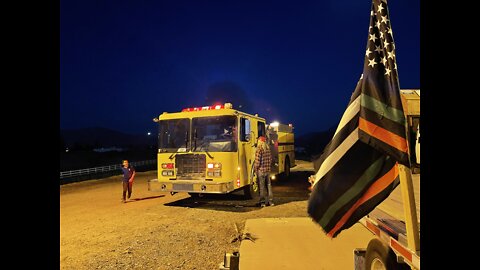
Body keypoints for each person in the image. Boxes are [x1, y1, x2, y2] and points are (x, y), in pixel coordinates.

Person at [254, 136, 274, 207]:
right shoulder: (268, 149)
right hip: (268, 171)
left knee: (261, 187)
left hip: (261, 170)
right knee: (268, 186)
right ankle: (271, 202)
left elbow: (257, 162)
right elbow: (270, 160)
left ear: (260, 141)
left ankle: (262, 202)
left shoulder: (259, 149)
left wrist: (255, 170)